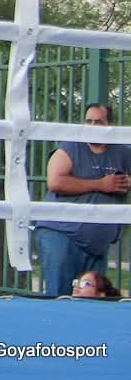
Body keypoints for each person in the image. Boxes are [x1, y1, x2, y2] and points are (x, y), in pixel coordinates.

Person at [35, 103, 131, 297]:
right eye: (89, 121)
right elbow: (55, 181)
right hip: (61, 235)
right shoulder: (70, 147)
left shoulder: (122, 152)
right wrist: (101, 184)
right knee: (59, 297)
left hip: (97, 246)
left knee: (95, 301)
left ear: (110, 125)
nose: (92, 126)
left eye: (99, 122)